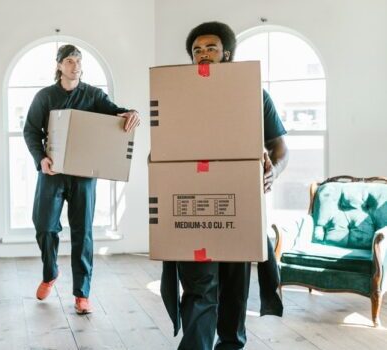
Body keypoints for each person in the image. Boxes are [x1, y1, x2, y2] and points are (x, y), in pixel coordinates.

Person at [160, 21, 289, 350]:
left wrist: (273, 170)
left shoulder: (254, 92)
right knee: (199, 290)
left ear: (226, 54)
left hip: (238, 207)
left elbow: (280, 149)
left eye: (210, 48)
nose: (202, 54)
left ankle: (231, 344)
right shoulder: (176, 94)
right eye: (196, 50)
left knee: (233, 292)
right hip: (191, 207)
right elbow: (162, 147)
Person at [23, 44, 141, 314]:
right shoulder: (45, 97)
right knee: (44, 225)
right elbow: (30, 131)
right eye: (68, 61)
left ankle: (82, 294)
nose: (75, 65)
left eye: (78, 60)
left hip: (84, 176)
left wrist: (131, 112)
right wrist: (41, 159)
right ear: (58, 66)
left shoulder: (94, 95)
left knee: (82, 233)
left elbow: (116, 113)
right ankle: (50, 273)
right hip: (52, 172)